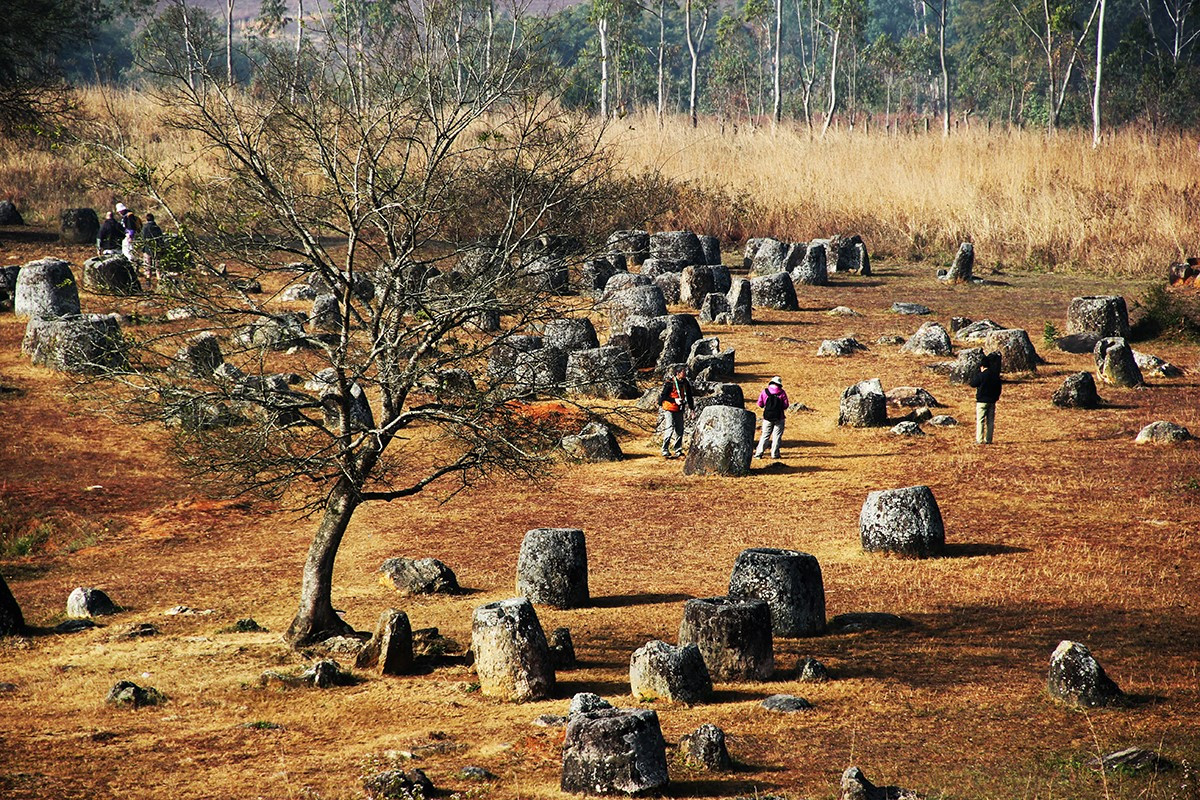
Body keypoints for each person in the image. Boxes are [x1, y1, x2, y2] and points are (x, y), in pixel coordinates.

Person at [657, 366, 695, 459]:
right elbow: (663, 397)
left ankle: (678, 450)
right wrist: (674, 400)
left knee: (680, 429)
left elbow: (689, 396)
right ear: (678, 373)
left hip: (679, 409)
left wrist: (692, 409)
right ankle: (665, 449)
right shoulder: (670, 383)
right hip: (669, 408)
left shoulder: (685, 383)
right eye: (683, 372)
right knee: (669, 428)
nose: (685, 373)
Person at [968, 352, 1003, 444]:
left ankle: (979, 440)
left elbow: (972, 383)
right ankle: (989, 439)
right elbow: (999, 388)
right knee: (990, 421)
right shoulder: (995, 376)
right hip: (992, 401)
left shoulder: (981, 375)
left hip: (981, 401)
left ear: (982, 366)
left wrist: (977, 374)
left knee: (980, 421)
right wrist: (996, 398)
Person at [754, 376, 789, 459]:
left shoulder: (765, 392)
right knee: (777, 436)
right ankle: (775, 454)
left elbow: (760, 404)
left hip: (767, 417)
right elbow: (785, 405)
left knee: (765, 435)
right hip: (779, 417)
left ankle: (759, 453)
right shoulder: (782, 392)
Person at [138, 213, 164, 280]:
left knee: (147, 266)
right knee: (158, 266)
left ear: (146, 219)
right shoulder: (157, 227)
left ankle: (148, 279)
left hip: (147, 249)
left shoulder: (145, 227)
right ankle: (159, 279)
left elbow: (143, 237)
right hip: (156, 248)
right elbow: (161, 238)